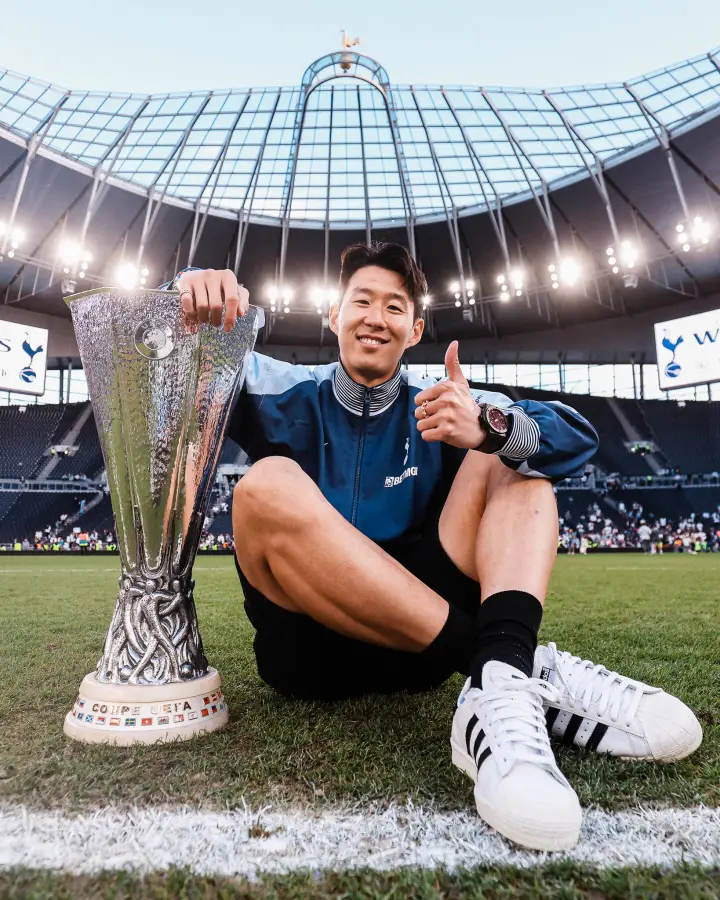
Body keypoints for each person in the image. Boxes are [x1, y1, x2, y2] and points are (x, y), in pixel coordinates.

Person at [168, 244, 702, 852]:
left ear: (415, 329)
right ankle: (509, 667)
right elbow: (164, 355)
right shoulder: (276, 387)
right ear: (333, 316)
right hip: (307, 653)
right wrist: (187, 288)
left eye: (395, 307)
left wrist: (488, 429)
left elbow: (575, 436)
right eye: (361, 302)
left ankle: (501, 688)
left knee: (513, 460)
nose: (376, 317)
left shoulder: (442, 401)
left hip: (419, 651)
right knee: (266, 482)